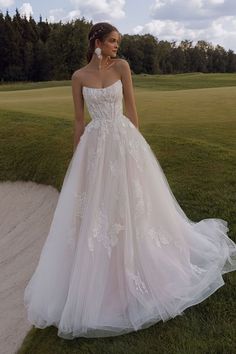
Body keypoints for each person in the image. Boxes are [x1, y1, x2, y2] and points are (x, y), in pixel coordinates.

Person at [24, 22, 236, 340]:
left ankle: (142, 260)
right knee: (99, 209)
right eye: (111, 41)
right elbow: (79, 120)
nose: (115, 47)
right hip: (94, 147)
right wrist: (76, 159)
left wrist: (139, 147)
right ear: (96, 41)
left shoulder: (122, 67)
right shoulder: (78, 77)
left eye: (117, 42)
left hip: (123, 141)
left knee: (133, 202)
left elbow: (132, 109)